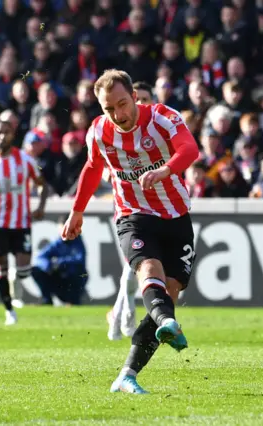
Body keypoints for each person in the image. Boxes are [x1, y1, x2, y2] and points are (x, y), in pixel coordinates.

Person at [61, 69, 199, 394]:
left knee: (170, 291)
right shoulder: (98, 132)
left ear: (135, 97)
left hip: (176, 217)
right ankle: (167, 322)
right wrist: (77, 211)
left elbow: (190, 149)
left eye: (122, 104)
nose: (118, 114)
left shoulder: (164, 118)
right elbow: (93, 167)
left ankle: (127, 375)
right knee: (148, 269)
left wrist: (165, 170)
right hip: (133, 215)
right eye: (109, 108)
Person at [0, 120, 48, 325]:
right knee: (0, 267)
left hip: (21, 221)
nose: (1, 136)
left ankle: (17, 282)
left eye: (5, 133)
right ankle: (9, 310)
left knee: (23, 269)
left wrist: (41, 207)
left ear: (12, 135)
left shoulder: (25, 159)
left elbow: (43, 185)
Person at [106, 81, 155, 341]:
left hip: (157, 212)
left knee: (134, 270)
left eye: (147, 99)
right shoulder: (117, 133)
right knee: (131, 268)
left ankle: (117, 318)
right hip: (128, 213)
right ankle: (125, 320)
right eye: (140, 99)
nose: (143, 104)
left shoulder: (157, 130)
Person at [32, 215, 87, 305]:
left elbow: (80, 260)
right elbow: (40, 258)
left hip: (72, 283)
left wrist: (59, 263)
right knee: (36, 270)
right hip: (59, 281)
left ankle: (73, 301)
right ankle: (47, 301)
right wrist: (49, 265)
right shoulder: (58, 242)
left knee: (80, 274)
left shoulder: (77, 242)